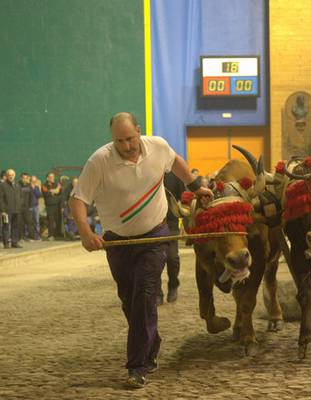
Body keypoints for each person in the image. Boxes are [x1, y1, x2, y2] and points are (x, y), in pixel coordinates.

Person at [70, 112, 212, 389]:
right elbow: (78, 199)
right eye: (120, 141)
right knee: (129, 298)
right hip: (118, 241)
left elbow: (176, 163)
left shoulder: (157, 146)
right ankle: (151, 340)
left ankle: (137, 366)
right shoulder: (99, 161)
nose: (126, 145)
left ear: (139, 130)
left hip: (155, 235)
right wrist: (86, 232)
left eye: (130, 138)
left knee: (145, 294)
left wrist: (196, 188)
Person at [159, 171, 185, 304]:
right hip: (150, 222)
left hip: (171, 221)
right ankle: (157, 291)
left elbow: (184, 198)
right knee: (153, 258)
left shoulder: (174, 175)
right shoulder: (145, 171)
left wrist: (185, 224)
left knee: (172, 257)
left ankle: (173, 285)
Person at [0, 169, 22, 249]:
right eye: (9, 175)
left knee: (15, 227)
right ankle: (6, 243)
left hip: (16, 210)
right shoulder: (2, 186)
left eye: (12, 175)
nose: (11, 176)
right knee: (6, 227)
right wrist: (3, 210)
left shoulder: (17, 185)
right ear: (6, 176)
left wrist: (19, 205)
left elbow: (21, 197)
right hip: (7, 211)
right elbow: (0, 199)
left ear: (14, 176)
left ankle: (14, 242)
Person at [42, 172, 63, 240]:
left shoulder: (56, 184)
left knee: (58, 220)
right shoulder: (44, 185)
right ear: (47, 178)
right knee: (51, 221)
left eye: (53, 177)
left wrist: (52, 191)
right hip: (49, 206)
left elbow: (58, 192)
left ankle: (58, 234)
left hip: (57, 205)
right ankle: (50, 235)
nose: (52, 178)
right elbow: (47, 192)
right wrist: (55, 190)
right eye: (51, 177)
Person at [18, 173, 38, 241]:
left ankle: (31, 237)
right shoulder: (18, 185)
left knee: (29, 223)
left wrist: (30, 206)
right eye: (23, 178)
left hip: (27, 208)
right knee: (21, 224)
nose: (25, 179)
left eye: (26, 178)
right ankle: (22, 237)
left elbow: (31, 196)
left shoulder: (29, 186)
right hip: (19, 208)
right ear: (21, 178)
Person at [29, 175, 42, 240]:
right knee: (29, 222)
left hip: (36, 206)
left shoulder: (36, 187)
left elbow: (39, 195)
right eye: (32, 181)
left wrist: (34, 188)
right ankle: (29, 236)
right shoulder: (28, 187)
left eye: (34, 181)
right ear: (30, 181)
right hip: (29, 207)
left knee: (36, 221)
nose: (33, 182)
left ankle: (37, 236)